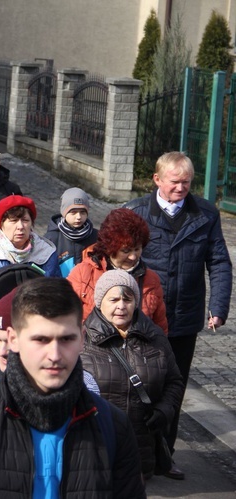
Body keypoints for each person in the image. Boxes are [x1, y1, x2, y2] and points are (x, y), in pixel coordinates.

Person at [0, 278, 146, 497]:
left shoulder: (113, 426)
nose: (55, 356)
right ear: (13, 339)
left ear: (82, 339)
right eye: (41, 340)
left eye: (66, 339)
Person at [125, 152, 232, 478]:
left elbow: (219, 262)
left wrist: (219, 307)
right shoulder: (135, 212)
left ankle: (164, 456)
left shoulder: (205, 214)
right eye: (175, 182)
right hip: (143, 315)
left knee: (174, 386)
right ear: (157, 179)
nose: (181, 188)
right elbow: (116, 260)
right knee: (137, 385)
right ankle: (131, 455)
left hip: (184, 317)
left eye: (187, 182)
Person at [81, 270, 185, 479]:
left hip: (140, 447)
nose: (121, 306)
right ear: (100, 302)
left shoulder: (155, 337)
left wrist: (165, 410)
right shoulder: (81, 339)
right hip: (94, 446)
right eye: (114, 299)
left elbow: (174, 382)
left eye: (127, 299)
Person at [68, 207, 167, 332]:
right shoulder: (83, 274)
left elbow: (160, 329)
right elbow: (65, 319)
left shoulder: (151, 280)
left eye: (137, 249)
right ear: (110, 248)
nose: (133, 256)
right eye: (126, 251)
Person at [0, 194, 60, 278]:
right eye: (13, 221)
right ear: (1, 225)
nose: (20, 227)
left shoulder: (47, 253)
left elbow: (57, 290)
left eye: (25, 220)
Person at [45, 187, 98, 277]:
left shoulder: (96, 237)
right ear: (64, 213)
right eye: (73, 212)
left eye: (83, 212)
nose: (78, 217)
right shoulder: (51, 238)